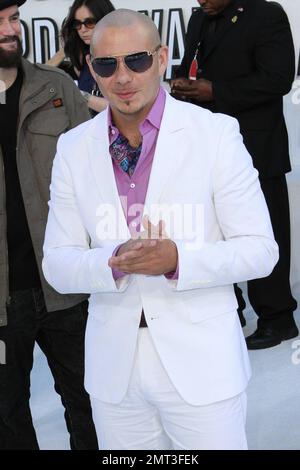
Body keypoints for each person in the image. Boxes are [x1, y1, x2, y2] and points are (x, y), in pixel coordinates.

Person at [42, 9, 278, 450]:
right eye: (108, 65)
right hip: (116, 374)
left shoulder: (215, 134)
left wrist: (177, 259)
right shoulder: (74, 148)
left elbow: (260, 250)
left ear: (162, 57)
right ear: (92, 68)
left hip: (202, 368)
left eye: (137, 60)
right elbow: (57, 264)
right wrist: (111, 263)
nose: (123, 77)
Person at [171, 0, 298, 350]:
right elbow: (192, 63)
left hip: (258, 148)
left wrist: (215, 91)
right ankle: (232, 312)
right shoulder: (199, 18)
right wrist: (183, 83)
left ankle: (278, 318)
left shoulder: (267, 14)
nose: (201, 0)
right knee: (213, 233)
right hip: (207, 148)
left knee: (265, 233)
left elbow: (278, 79)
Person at [0, 0, 98, 450]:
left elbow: (96, 181)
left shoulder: (55, 87)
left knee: (91, 405)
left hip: (65, 287)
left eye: (13, 18)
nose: (9, 30)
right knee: (8, 417)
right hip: (3, 300)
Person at [48, 0, 115, 115]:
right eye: (77, 24)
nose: (83, 29)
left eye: (89, 22)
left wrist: (80, 95)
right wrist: (65, 49)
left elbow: (122, 109)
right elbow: (40, 76)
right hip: (90, 129)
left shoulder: (121, 56)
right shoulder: (82, 56)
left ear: (104, 20)